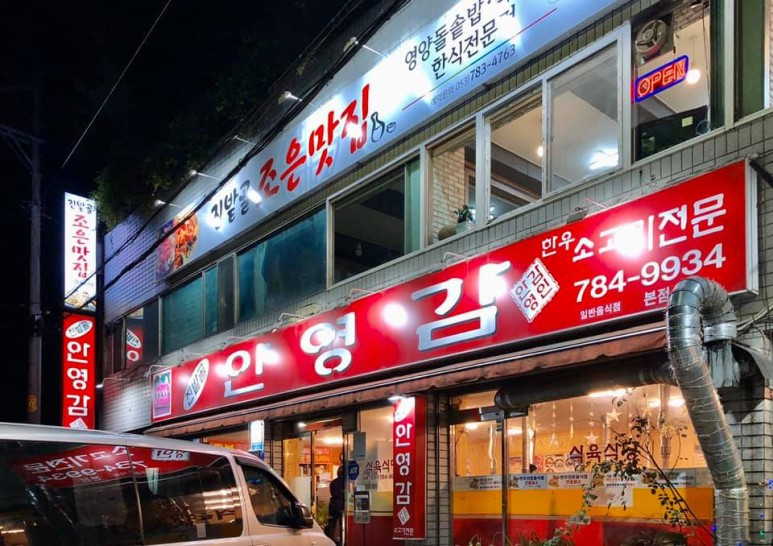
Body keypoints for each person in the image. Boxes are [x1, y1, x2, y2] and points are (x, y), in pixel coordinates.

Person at [325, 465, 344, 545]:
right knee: (342, 525)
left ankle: (329, 541)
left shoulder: (333, 483)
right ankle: (343, 541)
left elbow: (332, 493)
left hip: (333, 504)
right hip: (342, 504)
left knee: (331, 525)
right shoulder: (345, 482)